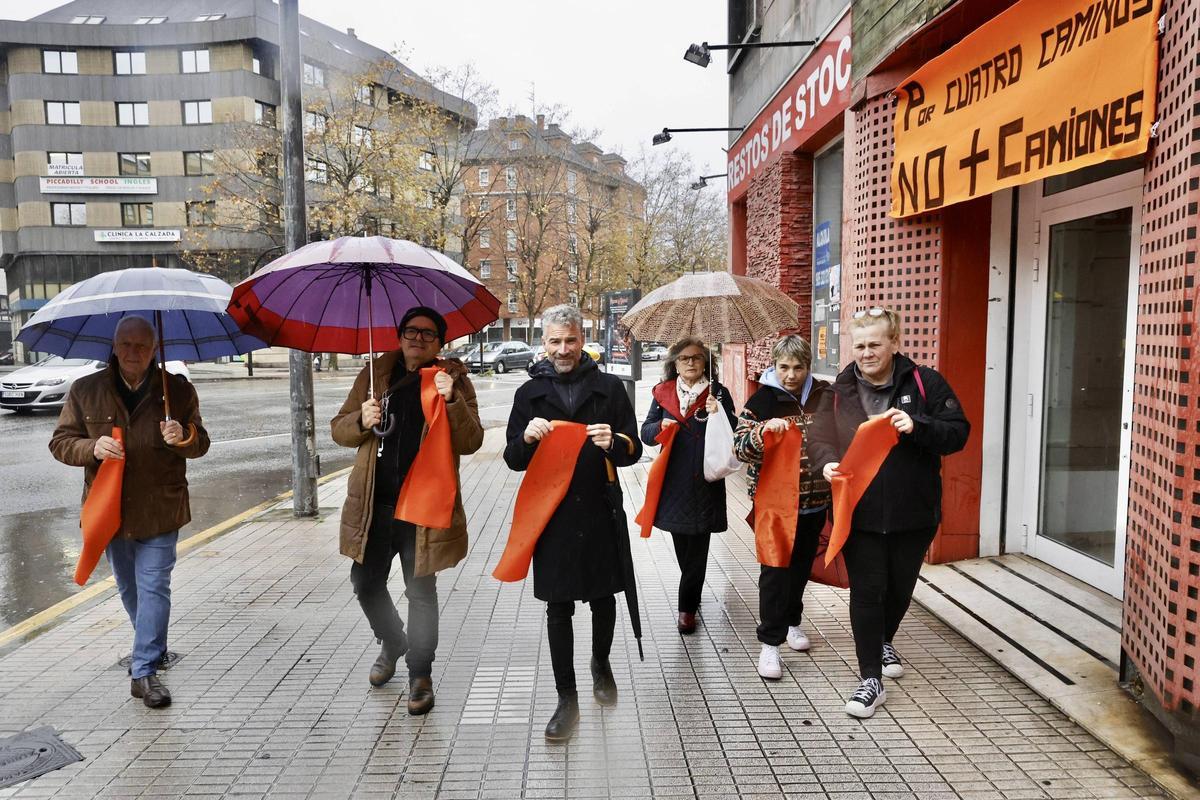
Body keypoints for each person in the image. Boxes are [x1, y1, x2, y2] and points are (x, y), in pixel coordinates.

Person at [808, 307, 969, 718]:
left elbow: (958, 433)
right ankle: (870, 679)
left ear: (894, 343)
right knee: (867, 592)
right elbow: (819, 439)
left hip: (913, 514)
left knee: (898, 590)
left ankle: (883, 639)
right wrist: (826, 462)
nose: (866, 352)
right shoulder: (837, 390)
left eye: (875, 344)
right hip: (858, 513)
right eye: (859, 345)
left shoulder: (924, 382)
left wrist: (918, 425)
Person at [50, 315, 210, 708]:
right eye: (126, 345)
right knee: (130, 588)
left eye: (141, 346)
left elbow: (201, 442)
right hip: (110, 510)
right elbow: (61, 442)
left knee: (155, 584)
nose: (133, 353)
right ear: (114, 345)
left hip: (161, 507)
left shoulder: (177, 390)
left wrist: (183, 437)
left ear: (155, 349)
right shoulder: (86, 390)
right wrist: (93, 448)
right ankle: (151, 643)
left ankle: (144, 672)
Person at [331, 306, 483, 715]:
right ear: (399, 336)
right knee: (365, 583)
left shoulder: (452, 379)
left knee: (421, 592)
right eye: (411, 331)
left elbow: (471, 441)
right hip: (375, 505)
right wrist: (362, 419)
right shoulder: (375, 374)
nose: (418, 338)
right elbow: (338, 429)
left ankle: (420, 673)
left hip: (423, 506)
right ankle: (393, 639)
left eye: (428, 334)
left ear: (440, 343)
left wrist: (452, 401)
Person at [503, 304, 642, 742]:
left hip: (599, 508)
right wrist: (526, 437)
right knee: (558, 606)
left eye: (570, 340)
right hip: (552, 514)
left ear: (583, 340)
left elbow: (634, 448)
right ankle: (567, 698)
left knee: (604, 598)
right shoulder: (528, 395)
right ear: (544, 344)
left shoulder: (609, 388)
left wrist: (614, 441)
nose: (563, 349)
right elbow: (512, 459)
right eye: (554, 341)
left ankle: (601, 662)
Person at [733, 335, 831, 680]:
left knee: (801, 567)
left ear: (808, 366)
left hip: (815, 502)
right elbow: (740, 447)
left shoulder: (822, 395)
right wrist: (761, 433)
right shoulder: (762, 400)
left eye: (798, 367)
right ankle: (770, 645)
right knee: (775, 573)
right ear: (774, 366)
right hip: (775, 504)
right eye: (784, 367)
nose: (791, 375)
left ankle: (791, 622)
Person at [639, 338, 736, 634]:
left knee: (699, 548)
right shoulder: (662, 393)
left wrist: (718, 413)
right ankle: (692, 591)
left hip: (705, 481)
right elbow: (645, 432)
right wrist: (660, 428)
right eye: (684, 358)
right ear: (675, 363)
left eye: (696, 358)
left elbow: (734, 430)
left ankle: (686, 610)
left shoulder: (718, 392)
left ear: (706, 362)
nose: (690, 363)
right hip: (674, 482)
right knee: (684, 547)